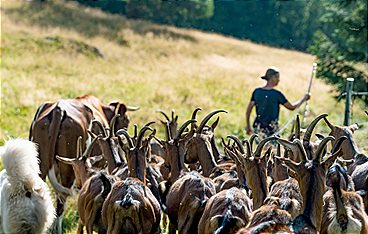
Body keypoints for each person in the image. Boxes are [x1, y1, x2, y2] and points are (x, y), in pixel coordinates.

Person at [245, 66, 311, 137]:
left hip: (258, 127)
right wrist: (304, 98)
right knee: (274, 148)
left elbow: (248, 110)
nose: (279, 80)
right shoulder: (277, 94)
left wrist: (248, 126)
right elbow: (292, 107)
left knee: (259, 147)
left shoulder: (257, 91)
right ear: (272, 77)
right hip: (272, 129)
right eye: (277, 77)